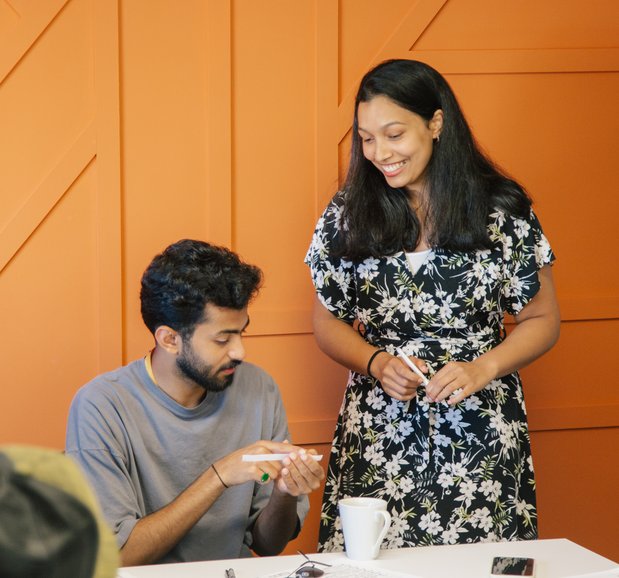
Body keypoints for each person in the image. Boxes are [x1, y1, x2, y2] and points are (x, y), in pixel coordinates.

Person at [304, 59, 560, 551]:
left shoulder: (502, 210)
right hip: (377, 432)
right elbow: (326, 321)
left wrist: (482, 369)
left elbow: (543, 319)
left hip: (480, 433)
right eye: (367, 138)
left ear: (436, 123)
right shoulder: (348, 212)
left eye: (393, 134)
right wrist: (376, 363)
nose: (380, 152)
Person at [66, 239, 324, 566]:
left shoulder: (259, 389)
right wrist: (219, 477)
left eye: (241, 333)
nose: (239, 352)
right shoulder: (102, 406)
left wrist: (284, 493)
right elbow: (119, 556)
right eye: (222, 339)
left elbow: (267, 544)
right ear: (170, 339)